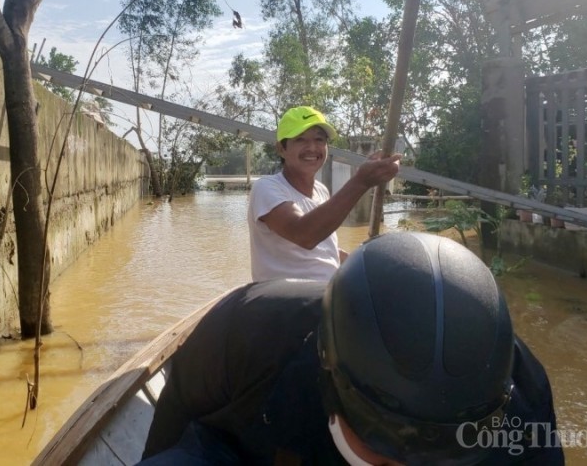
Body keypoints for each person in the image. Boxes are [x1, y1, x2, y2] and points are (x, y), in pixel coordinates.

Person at [140, 232, 564, 465]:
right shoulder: (253, 329)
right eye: (382, 458)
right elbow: (175, 414)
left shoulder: (523, 395)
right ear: (328, 374)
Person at [248, 105, 401, 283]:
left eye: (319, 140)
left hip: (326, 293)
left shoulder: (321, 190)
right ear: (281, 149)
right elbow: (304, 235)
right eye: (300, 140)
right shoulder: (266, 188)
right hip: (287, 301)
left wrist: (362, 262)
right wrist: (361, 181)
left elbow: (325, 250)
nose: (312, 148)